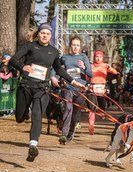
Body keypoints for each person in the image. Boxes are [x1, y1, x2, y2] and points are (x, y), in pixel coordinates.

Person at [9, 23, 86, 162]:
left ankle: (33, 145)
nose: (45, 35)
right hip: (26, 86)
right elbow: (13, 60)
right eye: (42, 33)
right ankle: (25, 112)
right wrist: (23, 66)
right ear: (38, 34)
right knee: (19, 118)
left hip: (42, 88)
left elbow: (59, 70)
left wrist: (73, 82)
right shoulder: (30, 47)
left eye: (48, 34)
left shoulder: (54, 52)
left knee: (38, 115)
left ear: (50, 36)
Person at [51, 36, 92, 144]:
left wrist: (84, 67)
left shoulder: (84, 57)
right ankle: (63, 134)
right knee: (67, 109)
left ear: (80, 47)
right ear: (70, 45)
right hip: (67, 86)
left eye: (77, 45)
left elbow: (90, 74)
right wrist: (53, 76)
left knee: (75, 112)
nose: (75, 47)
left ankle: (71, 131)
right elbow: (55, 67)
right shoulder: (64, 57)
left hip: (80, 88)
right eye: (73, 45)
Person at [86, 50, 118, 135]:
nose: (98, 58)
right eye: (97, 56)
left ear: (102, 58)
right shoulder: (91, 66)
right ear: (94, 57)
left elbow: (115, 72)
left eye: (100, 57)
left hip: (101, 88)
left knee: (102, 108)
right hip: (92, 88)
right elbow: (86, 76)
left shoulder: (105, 65)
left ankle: (101, 112)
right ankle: (91, 125)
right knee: (91, 108)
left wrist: (109, 68)